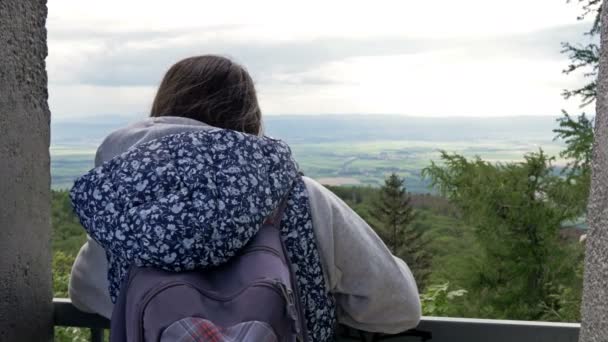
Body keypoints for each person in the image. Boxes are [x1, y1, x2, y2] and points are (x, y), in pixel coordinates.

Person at [68, 55, 421, 341]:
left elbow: (87, 293)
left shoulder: (128, 204)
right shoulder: (301, 197)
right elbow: (398, 308)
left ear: (163, 109)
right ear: (250, 116)